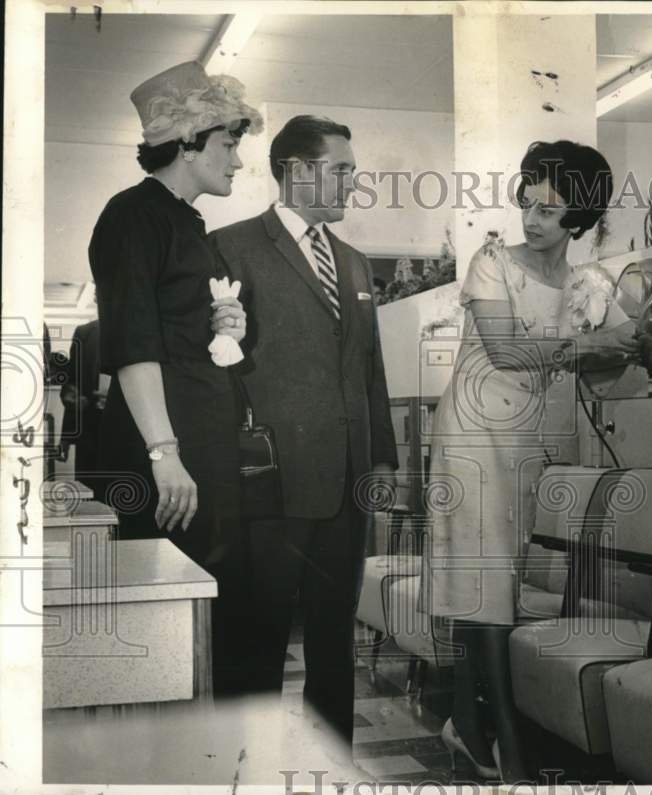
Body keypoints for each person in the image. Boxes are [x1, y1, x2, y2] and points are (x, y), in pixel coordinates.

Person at [425, 140, 640, 780]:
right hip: (470, 434)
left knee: (489, 582)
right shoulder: (492, 263)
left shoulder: (586, 282)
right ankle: (510, 745)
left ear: (578, 219)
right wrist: (600, 341)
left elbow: (625, 348)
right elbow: (507, 352)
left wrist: (624, 341)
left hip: (522, 438)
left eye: (549, 209)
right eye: (528, 201)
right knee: (485, 581)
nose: (532, 217)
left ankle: (465, 722)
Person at [211, 115, 398, 750]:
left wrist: (385, 465)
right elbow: (217, 368)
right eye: (341, 170)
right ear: (296, 171)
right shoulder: (231, 248)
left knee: (333, 641)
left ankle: (331, 767)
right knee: (257, 640)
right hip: (270, 483)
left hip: (348, 484)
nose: (353, 182)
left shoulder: (355, 263)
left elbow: (370, 368)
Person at [88, 61, 262, 695]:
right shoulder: (134, 215)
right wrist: (164, 453)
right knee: (169, 620)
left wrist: (228, 326)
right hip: (165, 453)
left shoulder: (188, 223)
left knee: (208, 611)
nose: (239, 161)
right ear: (188, 144)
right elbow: (134, 345)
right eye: (229, 143)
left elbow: (178, 334)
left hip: (199, 447)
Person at [59, 319, 105, 499]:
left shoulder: (141, 327)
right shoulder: (84, 332)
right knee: (89, 498)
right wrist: (66, 437)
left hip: (129, 433)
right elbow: (72, 386)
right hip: (90, 433)